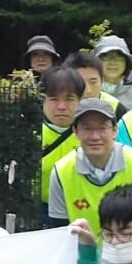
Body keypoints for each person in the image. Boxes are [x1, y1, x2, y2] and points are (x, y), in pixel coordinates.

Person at [45, 97, 132, 239]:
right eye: (87, 128)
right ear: (75, 131)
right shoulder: (61, 171)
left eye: (102, 128)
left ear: (115, 130)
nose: (95, 136)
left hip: (128, 254)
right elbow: (59, 230)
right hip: (81, 256)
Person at [37, 67, 85, 205]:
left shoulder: (90, 134)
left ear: (80, 100)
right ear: (43, 100)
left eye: (69, 99)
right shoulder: (30, 133)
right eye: (54, 99)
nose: (61, 106)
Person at [94, 35, 132, 111]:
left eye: (119, 57)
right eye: (106, 56)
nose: (112, 62)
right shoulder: (87, 92)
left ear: (127, 62)